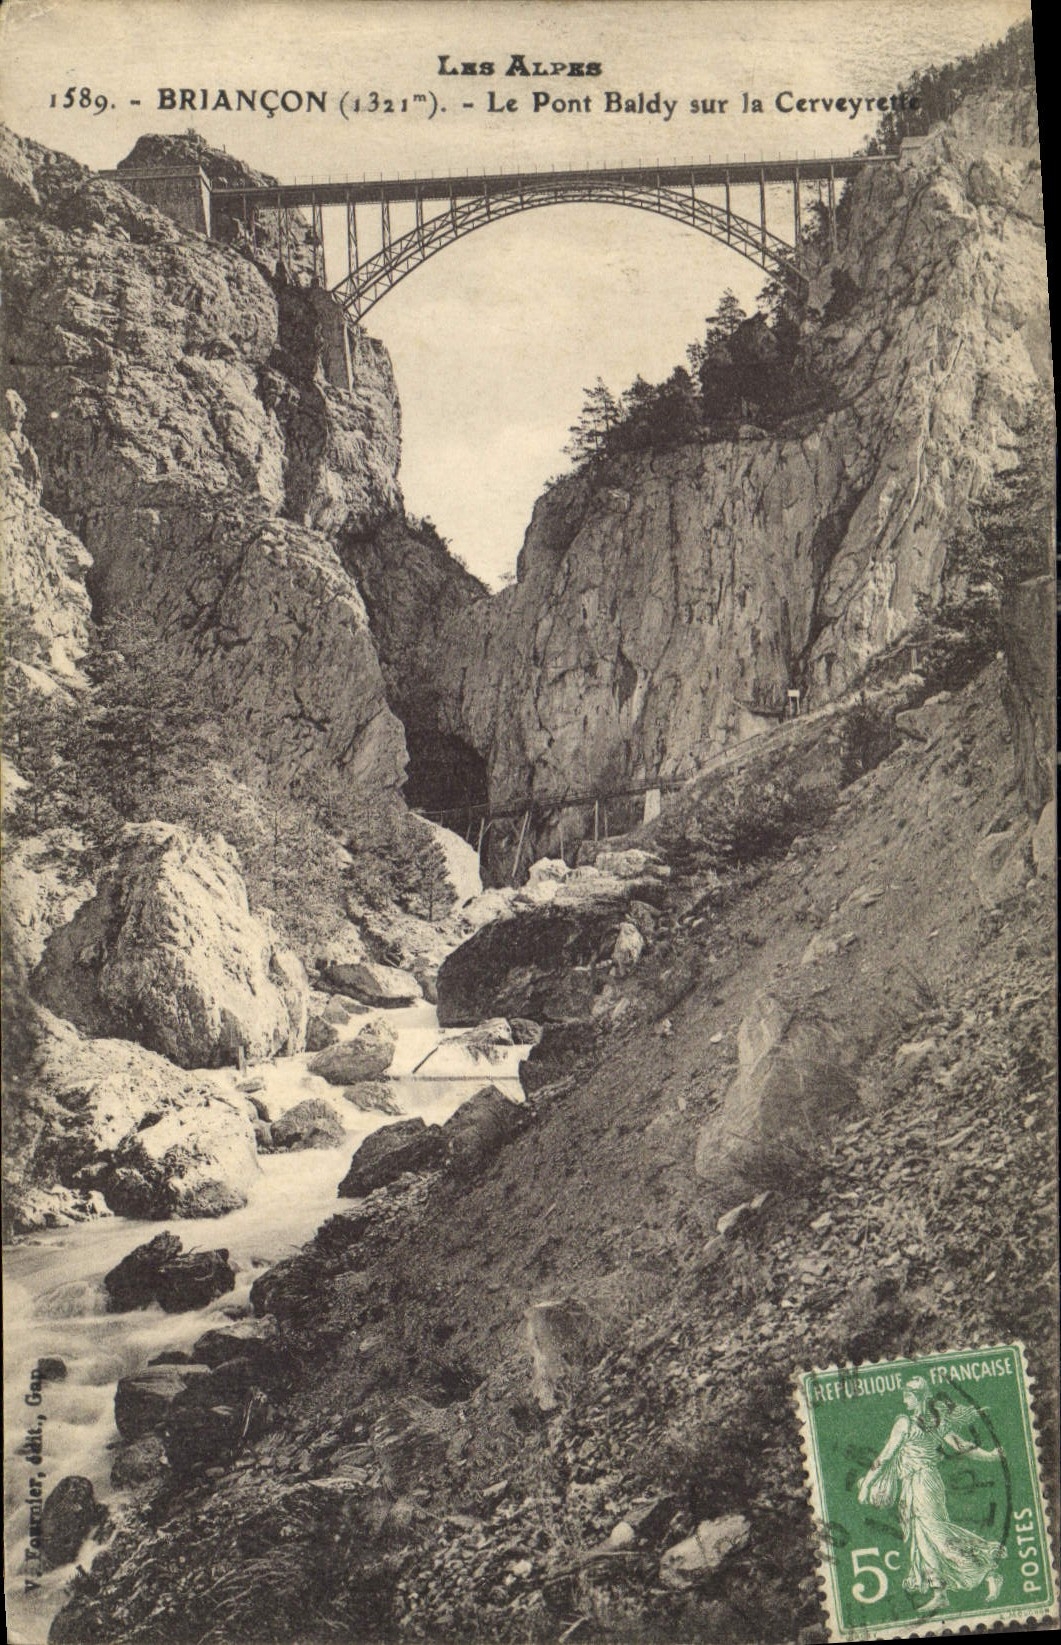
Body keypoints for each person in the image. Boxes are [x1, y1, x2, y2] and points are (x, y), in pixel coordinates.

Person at [857, 1376, 1005, 1614]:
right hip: (916, 1484)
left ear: (919, 1397)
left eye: (907, 1395)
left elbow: (885, 1456)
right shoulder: (935, 1422)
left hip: (922, 1483)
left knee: (937, 1535)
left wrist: (866, 1485)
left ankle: (987, 1572)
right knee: (922, 1539)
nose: (904, 1399)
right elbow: (959, 1445)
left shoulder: (904, 1423)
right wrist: (988, 1455)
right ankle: (940, 1593)